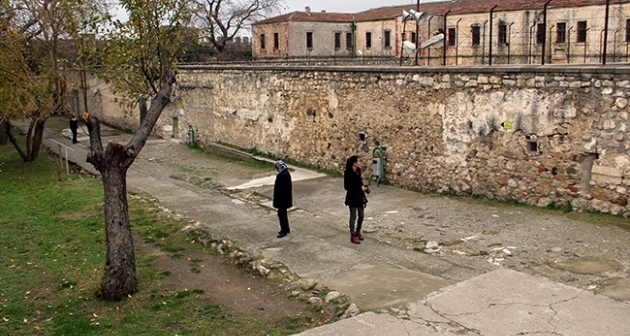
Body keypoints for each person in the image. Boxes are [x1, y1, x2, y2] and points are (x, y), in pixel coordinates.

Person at [344, 155, 368, 244]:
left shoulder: (358, 171)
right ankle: (352, 235)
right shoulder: (348, 172)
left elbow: (359, 182)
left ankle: (358, 231)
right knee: (353, 216)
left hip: (359, 196)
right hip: (352, 197)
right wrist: (359, 188)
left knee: (361, 215)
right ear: (354, 163)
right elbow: (347, 186)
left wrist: (363, 188)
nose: (359, 162)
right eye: (358, 161)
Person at [273, 160, 292, 238]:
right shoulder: (286, 173)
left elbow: (281, 189)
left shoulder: (282, 175)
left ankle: (284, 230)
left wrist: (278, 199)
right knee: (283, 214)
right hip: (285, 199)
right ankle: (286, 229)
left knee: (281, 215)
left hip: (282, 199)